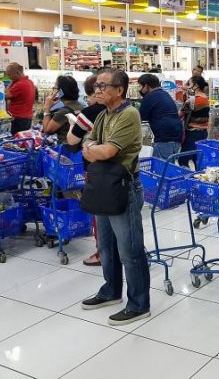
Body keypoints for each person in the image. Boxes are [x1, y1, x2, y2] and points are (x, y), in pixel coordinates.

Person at [80, 68, 150, 326]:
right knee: (106, 247)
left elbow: (108, 151)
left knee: (130, 250)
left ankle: (139, 303)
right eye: (96, 86)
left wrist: (92, 149)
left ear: (119, 90)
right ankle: (110, 291)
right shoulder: (102, 115)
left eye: (103, 86)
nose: (97, 90)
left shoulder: (129, 114)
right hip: (103, 186)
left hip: (124, 187)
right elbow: (88, 141)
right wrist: (92, 148)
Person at [67, 75, 107, 267]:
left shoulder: (90, 112)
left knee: (99, 212)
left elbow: (72, 140)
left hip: (94, 167)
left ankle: (102, 252)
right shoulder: (123, 110)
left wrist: (72, 125)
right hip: (119, 168)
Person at [137, 74, 183, 160]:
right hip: (177, 135)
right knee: (170, 165)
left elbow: (139, 117)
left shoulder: (149, 97)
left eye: (140, 86)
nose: (139, 89)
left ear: (146, 86)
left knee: (161, 168)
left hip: (164, 138)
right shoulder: (164, 94)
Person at [41, 75, 84, 143]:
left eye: (55, 89)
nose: (54, 92)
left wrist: (47, 108)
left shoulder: (64, 111)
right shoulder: (81, 106)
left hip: (64, 148)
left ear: (61, 91)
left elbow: (46, 130)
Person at [179, 75, 210, 167]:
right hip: (203, 133)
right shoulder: (205, 98)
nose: (187, 86)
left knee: (183, 160)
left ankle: (186, 179)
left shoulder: (192, 101)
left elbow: (180, 115)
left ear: (195, 86)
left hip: (192, 134)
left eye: (189, 84)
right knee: (198, 160)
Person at [4, 62, 36, 135]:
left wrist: (11, 83)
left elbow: (5, 96)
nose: (9, 77)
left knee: (17, 141)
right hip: (26, 117)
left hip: (18, 118)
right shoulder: (29, 82)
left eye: (9, 74)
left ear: (17, 73)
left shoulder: (19, 84)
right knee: (23, 139)